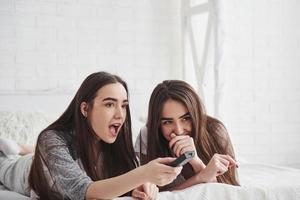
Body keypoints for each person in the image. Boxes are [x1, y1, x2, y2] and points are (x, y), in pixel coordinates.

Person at [0, 72, 182, 200]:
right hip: (23, 169)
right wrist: (143, 174)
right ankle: (15, 149)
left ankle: (23, 148)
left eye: (124, 105)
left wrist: (142, 185)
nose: (120, 114)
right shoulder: (51, 139)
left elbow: (121, 179)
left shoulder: (114, 142)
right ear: (85, 108)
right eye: (110, 104)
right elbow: (83, 190)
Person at [135, 80, 239, 191]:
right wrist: (202, 176)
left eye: (185, 119)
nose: (179, 131)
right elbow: (156, 194)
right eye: (167, 122)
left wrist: (197, 163)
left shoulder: (214, 130)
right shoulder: (147, 137)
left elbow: (228, 193)